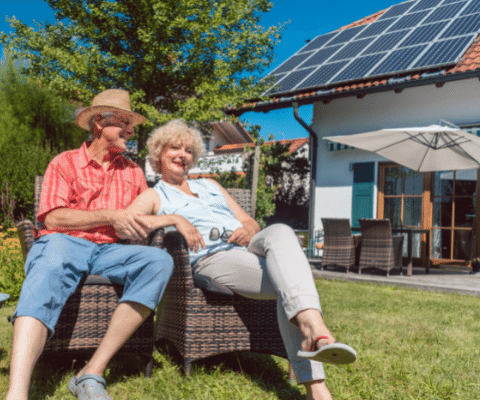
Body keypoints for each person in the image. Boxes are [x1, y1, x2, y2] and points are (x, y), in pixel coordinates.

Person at [125, 119, 357, 400]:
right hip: (213, 257)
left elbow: (250, 221)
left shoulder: (211, 186)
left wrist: (248, 229)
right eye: (175, 148)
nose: (182, 155)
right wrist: (175, 218)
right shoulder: (154, 194)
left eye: (188, 150)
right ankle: (317, 381)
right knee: (291, 284)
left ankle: (313, 331)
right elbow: (126, 222)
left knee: (281, 231)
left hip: (248, 248)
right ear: (158, 154)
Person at [6, 89, 174, 400]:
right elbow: (53, 219)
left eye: (132, 125)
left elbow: (137, 222)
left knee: (159, 261)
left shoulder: (134, 172)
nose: (131, 131)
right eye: (124, 122)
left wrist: (149, 226)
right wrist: (111, 215)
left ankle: (92, 370)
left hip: (111, 251)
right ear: (99, 121)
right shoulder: (65, 163)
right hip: (64, 242)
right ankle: (17, 393)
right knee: (51, 263)